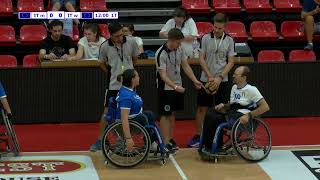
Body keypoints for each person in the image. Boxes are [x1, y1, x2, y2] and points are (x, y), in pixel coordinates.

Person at [188, 13, 236, 148]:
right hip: (206, 79)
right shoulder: (205, 38)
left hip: (222, 80)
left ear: (225, 27)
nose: (216, 30)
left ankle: (218, 136)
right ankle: (199, 135)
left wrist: (220, 77)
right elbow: (201, 58)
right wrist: (209, 76)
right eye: (215, 27)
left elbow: (231, 61)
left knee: (221, 109)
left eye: (220, 28)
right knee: (201, 109)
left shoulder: (230, 40)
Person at [90, 22, 140, 152]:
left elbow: (135, 59)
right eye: (117, 36)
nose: (120, 38)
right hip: (113, 85)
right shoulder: (105, 46)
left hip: (129, 85)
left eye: (121, 35)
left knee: (128, 113)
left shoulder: (131, 42)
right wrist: (111, 72)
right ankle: (101, 140)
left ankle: (122, 140)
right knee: (107, 113)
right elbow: (101, 63)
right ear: (110, 35)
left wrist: (129, 74)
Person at [201, 66, 270, 153]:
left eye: (236, 74)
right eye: (234, 74)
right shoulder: (234, 88)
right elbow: (233, 105)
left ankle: (218, 147)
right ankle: (208, 145)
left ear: (243, 77)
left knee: (216, 119)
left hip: (243, 117)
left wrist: (248, 116)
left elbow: (265, 107)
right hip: (233, 113)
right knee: (210, 113)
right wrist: (223, 105)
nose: (233, 76)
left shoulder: (252, 90)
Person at [155, 28, 203, 153]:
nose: (180, 44)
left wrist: (194, 80)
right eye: (178, 42)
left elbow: (185, 65)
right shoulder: (161, 53)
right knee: (165, 114)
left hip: (177, 85)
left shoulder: (179, 49)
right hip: (165, 87)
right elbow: (163, 76)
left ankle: (170, 139)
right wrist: (175, 87)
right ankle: (165, 142)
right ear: (171, 40)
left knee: (172, 113)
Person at [115, 69, 157, 151]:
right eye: (137, 76)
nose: (139, 77)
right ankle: (151, 141)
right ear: (132, 79)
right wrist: (128, 138)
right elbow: (124, 119)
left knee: (150, 114)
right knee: (143, 117)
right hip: (130, 122)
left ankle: (150, 141)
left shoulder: (129, 90)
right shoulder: (126, 97)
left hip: (134, 117)